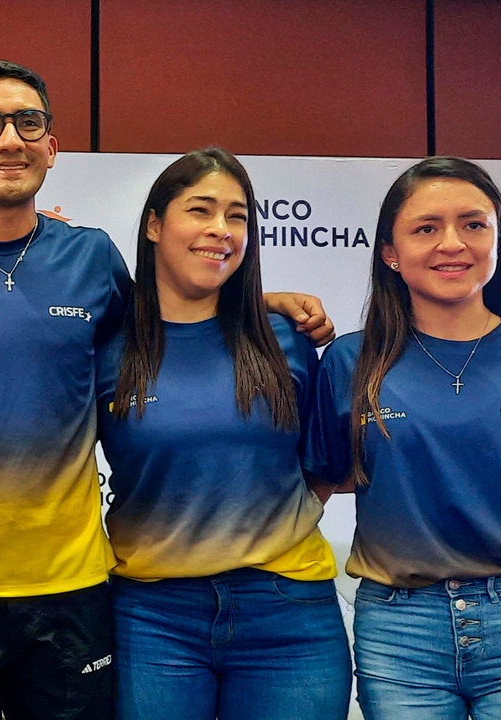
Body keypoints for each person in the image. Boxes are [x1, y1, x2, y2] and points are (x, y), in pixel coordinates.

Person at [0, 60, 335, 720]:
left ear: (52, 147)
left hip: (74, 590)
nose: (9, 139)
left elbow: (165, 329)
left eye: (29, 123)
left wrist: (260, 304)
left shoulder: (92, 258)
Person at [97, 148, 351, 720]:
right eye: (201, 210)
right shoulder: (107, 347)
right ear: (156, 225)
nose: (221, 229)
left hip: (288, 610)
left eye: (237, 216)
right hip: (152, 615)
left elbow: (323, 466)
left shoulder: (287, 339)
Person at [307, 156, 501, 719]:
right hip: (399, 631)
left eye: (474, 224)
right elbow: (312, 489)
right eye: (426, 228)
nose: (452, 243)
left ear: (499, 240)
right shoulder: (350, 361)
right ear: (390, 251)